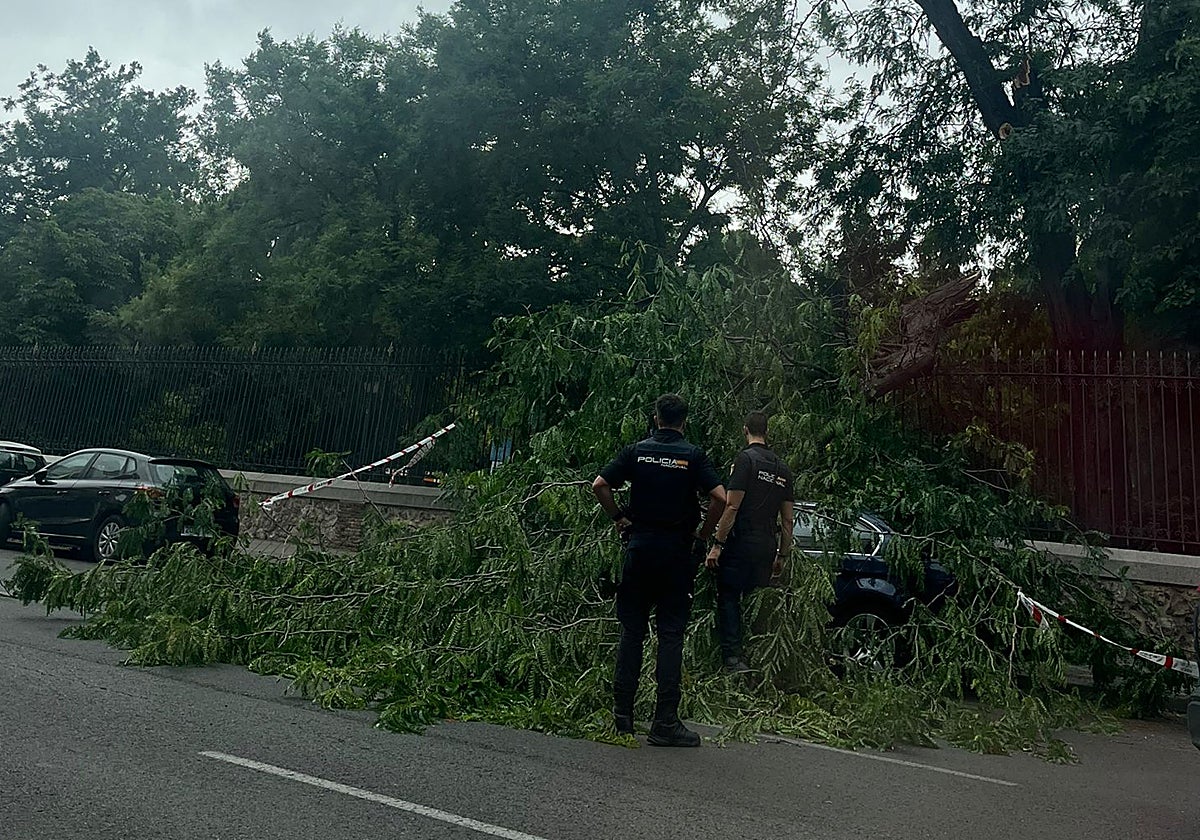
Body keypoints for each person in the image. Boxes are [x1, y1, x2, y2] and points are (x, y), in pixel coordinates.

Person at [592, 393, 726, 747]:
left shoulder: (636, 451)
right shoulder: (693, 455)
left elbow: (599, 485)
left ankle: (622, 717)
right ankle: (664, 721)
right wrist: (703, 535)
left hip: (640, 549)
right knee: (670, 634)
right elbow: (720, 497)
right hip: (676, 554)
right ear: (684, 421)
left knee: (632, 631)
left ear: (656, 418)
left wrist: (619, 518)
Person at [705, 411, 794, 673]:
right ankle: (761, 659)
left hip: (741, 542)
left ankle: (734, 659)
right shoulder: (782, 468)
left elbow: (732, 506)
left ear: (745, 430)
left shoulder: (745, 460)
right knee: (758, 600)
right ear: (767, 432)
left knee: (729, 597)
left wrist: (717, 544)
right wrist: (782, 555)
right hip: (766, 544)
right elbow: (788, 520)